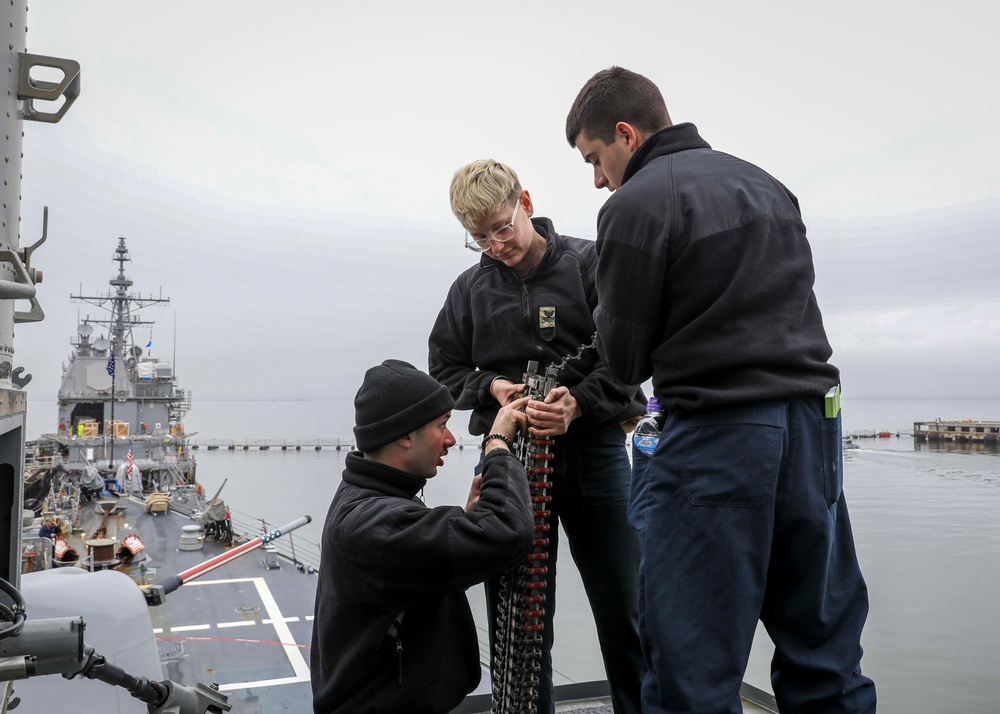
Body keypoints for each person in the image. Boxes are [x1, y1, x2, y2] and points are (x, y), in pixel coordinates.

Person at [564, 66, 877, 714]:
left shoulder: (632, 206)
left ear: (625, 133)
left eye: (595, 158)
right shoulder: (770, 187)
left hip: (716, 439)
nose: (596, 177)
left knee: (689, 675)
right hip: (813, 429)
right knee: (825, 658)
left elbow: (624, 364)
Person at [428, 160, 647, 714]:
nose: (494, 244)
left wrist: (578, 404)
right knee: (519, 622)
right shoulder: (469, 290)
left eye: (502, 227)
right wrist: (492, 387)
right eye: (479, 237)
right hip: (508, 461)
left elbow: (629, 358)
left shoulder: (590, 263)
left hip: (595, 452)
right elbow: (444, 372)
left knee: (628, 609)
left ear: (526, 201)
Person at [310, 359, 534, 714]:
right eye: (442, 425)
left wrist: (467, 521)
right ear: (404, 435)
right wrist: (497, 444)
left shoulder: (365, 494)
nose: (450, 439)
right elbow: (508, 532)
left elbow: (415, 557)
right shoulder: (376, 525)